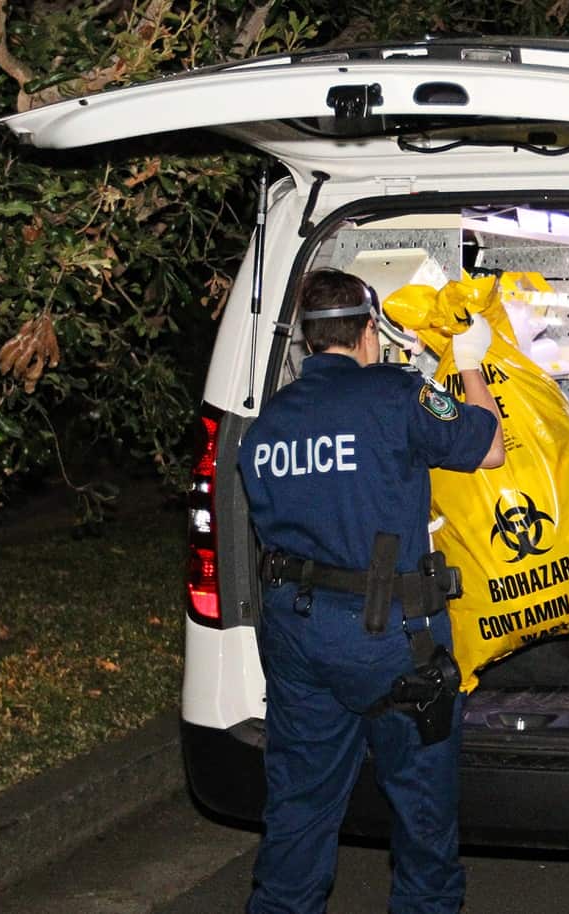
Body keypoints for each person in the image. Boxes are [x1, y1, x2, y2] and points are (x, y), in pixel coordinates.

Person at [237, 267, 505, 914]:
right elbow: (488, 444)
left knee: (299, 808)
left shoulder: (269, 422)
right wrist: (470, 365)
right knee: (421, 810)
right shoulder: (398, 394)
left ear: (306, 340)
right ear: (366, 333)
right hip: (390, 639)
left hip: (297, 634)